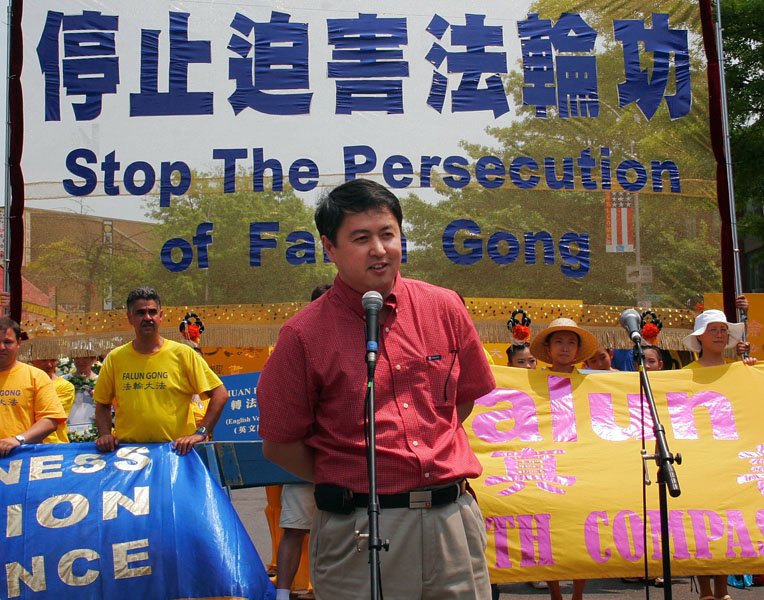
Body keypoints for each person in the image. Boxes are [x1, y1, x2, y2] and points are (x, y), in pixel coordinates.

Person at [258, 179, 496, 600]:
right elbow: (280, 445)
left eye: (388, 234)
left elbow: (462, 401)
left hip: (451, 524)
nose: (379, 249)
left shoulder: (444, 307)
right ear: (329, 248)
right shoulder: (303, 335)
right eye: (361, 238)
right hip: (357, 531)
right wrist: (355, 475)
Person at [93, 287, 229, 455]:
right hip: (129, 455)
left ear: (161, 315)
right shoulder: (115, 358)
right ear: (129, 317)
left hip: (175, 454)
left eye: (152, 312)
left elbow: (220, 394)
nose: (147, 318)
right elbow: (102, 403)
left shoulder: (183, 354)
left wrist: (201, 433)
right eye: (140, 313)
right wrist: (105, 434)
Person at [683, 304, 756, 600]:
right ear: (700, 337)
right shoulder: (684, 375)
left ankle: (723, 590)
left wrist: (751, 372)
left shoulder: (740, 370)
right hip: (698, 458)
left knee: (727, 521)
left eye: (723, 330)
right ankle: (705, 592)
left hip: (730, 456)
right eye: (712, 330)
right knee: (701, 524)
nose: (719, 335)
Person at [530, 317, 598, 600]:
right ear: (548, 348)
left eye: (571, 342)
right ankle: (555, 593)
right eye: (558, 342)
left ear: (578, 349)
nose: (565, 347)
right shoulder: (531, 383)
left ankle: (578, 594)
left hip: (583, 462)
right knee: (550, 533)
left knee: (583, 533)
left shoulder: (592, 382)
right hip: (549, 463)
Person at [274, 283, 331, 600]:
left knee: (342, 530)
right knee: (295, 529)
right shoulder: (296, 343)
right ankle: (283, 594)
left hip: (341, 462)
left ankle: (328, 592)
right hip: (303, 463)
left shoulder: (359, 344)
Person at [0, 317, 67, 457]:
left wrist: (18, 440)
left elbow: (50, 420)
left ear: (19, 343)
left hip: (22, 458)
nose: (2, 347)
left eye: (7, 342)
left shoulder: (36, 376)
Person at [29, 355, 75, 443]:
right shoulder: (23, 383)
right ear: (32, 360)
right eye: (43, 360)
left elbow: (52, 414)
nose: (49, 365)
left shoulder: (65, 386)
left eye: (53, 360)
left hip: (53, 443)